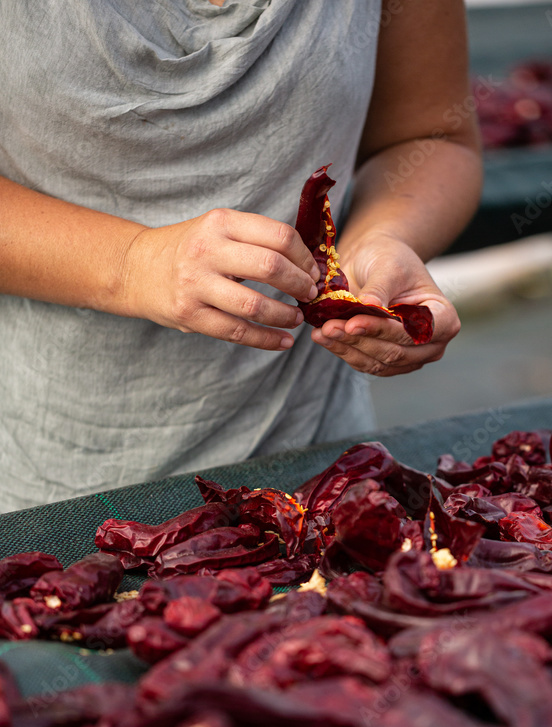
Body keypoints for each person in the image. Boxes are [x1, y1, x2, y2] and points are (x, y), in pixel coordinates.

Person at [0, 0, 482, 513]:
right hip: (47, 481)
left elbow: (431, 136)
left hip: (318, 468)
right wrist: (133, 262)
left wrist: (381, 238)